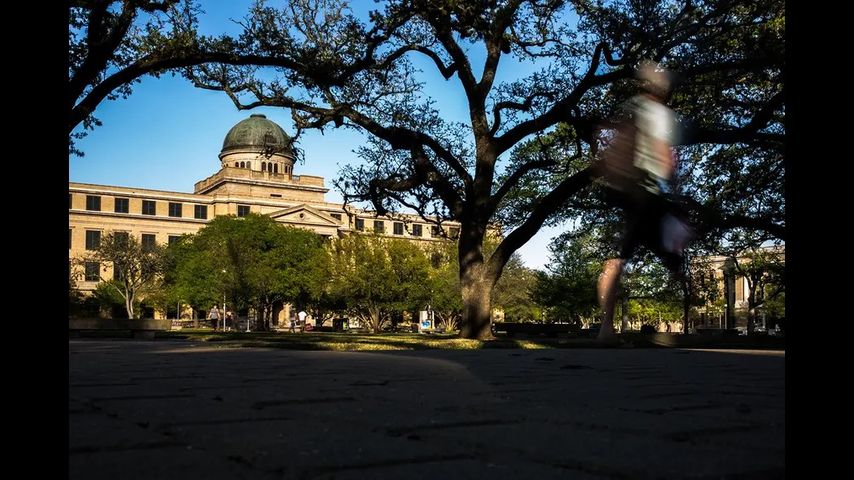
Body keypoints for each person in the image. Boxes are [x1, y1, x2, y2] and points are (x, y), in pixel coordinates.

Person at [596, 61, 691, 343]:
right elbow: (662, 153)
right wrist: (674, 183)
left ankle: (605, 328)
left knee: (619, 258)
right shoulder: (659, 113)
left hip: (624, 189)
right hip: (646, 191)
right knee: (672, 243)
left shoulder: (633, 107)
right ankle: (686, 295)